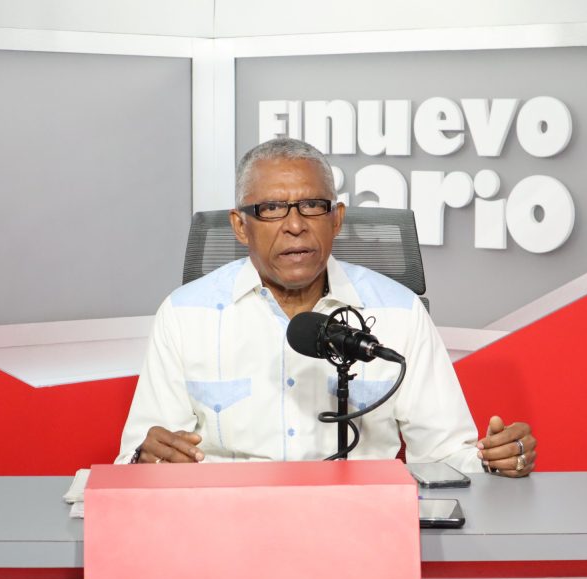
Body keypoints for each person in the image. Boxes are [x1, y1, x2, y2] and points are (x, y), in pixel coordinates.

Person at [115, 138, 536, 476]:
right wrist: (145, 461)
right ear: (240, 226)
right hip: (226, 530)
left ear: (336, 219)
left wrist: (494, 460)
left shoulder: (400, 314)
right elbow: (141, 459)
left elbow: (445, 458)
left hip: (364, 530)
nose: (295, 225)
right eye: (271, 209)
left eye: (312, 206)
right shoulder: (185, 316)